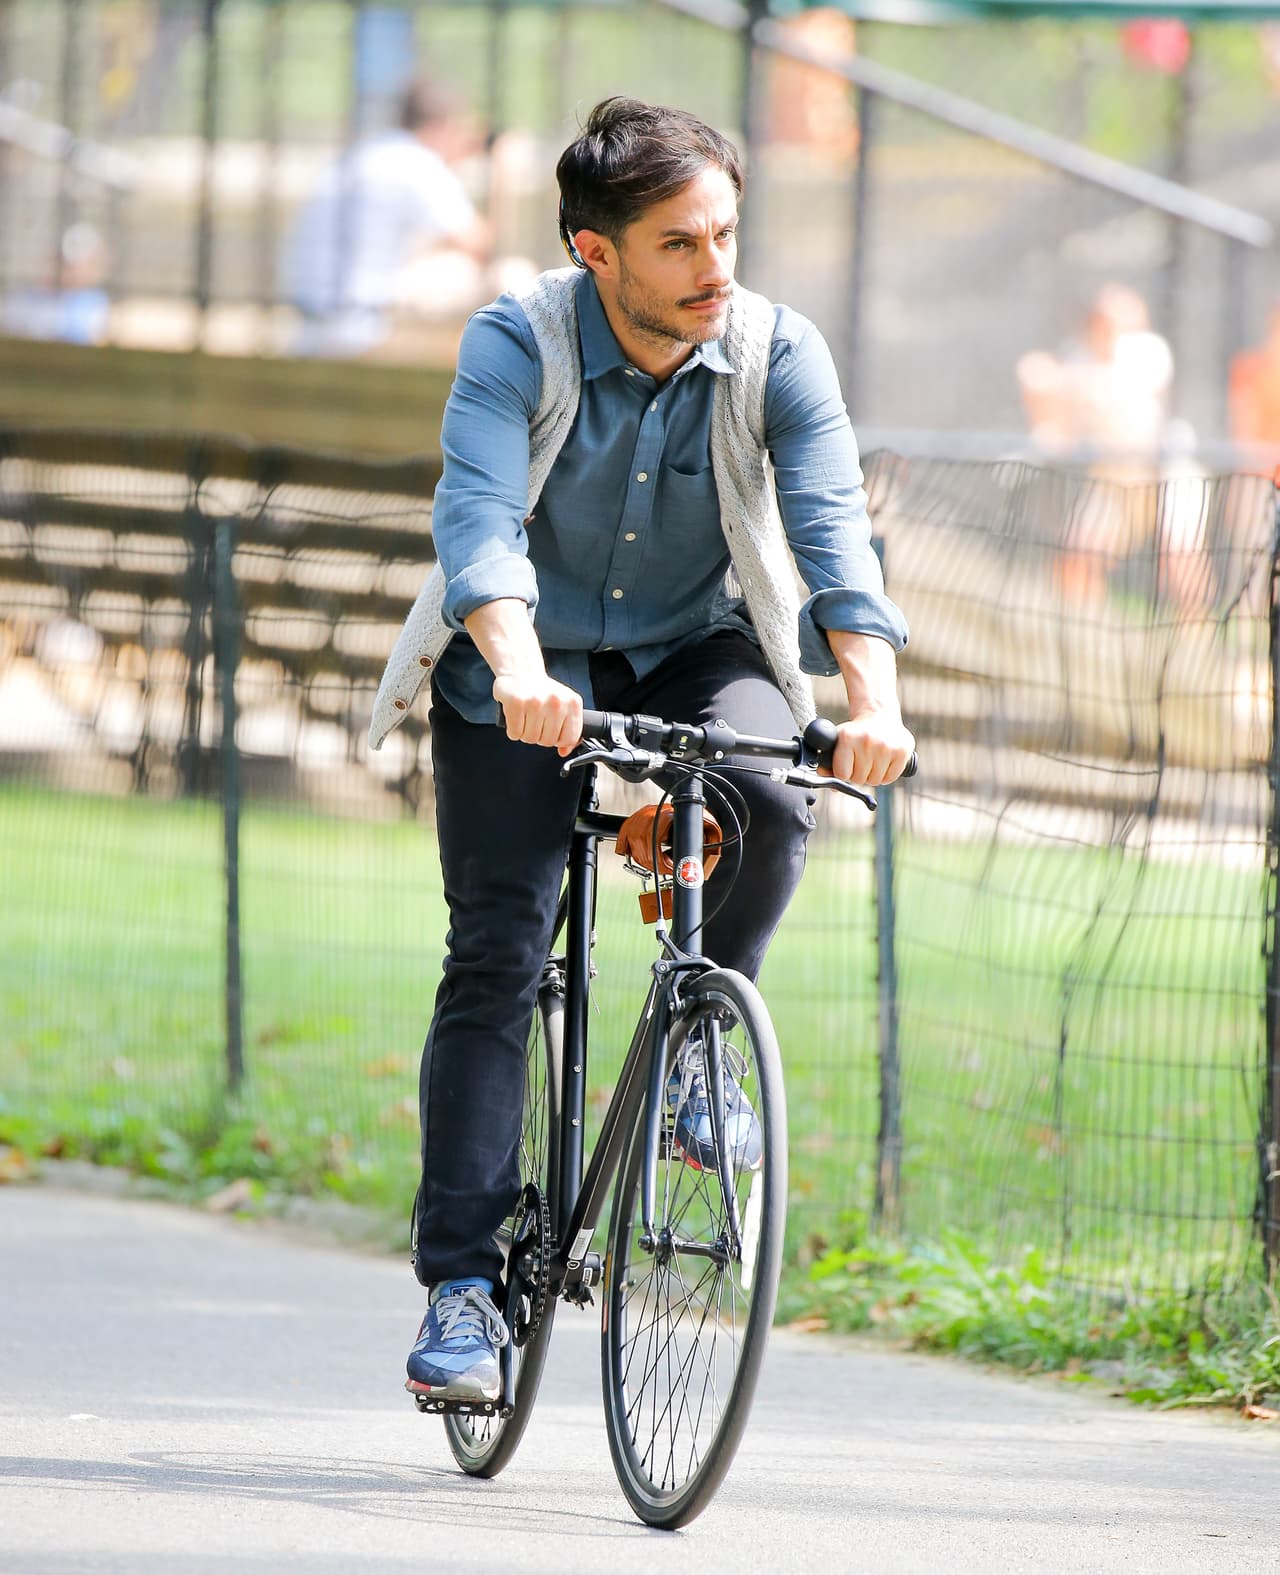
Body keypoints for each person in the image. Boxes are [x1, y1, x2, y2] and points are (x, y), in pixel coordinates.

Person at [367, 97, 915, 1403]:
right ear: (597, 252)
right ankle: (462, 1283)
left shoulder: (778, 350)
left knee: (775, 799)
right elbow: (479, 517)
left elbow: (837, 535)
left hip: (696, 643)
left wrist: (874, 697)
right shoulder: (521, 337)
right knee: (497, 949)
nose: (715, 265)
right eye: (679, 242)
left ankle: (696, 1046)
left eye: (725, 232)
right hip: (525, 657)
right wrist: (513, 670)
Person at [281, 78, 495, 358]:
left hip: (312, 322)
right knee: (506, 275)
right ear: (441, 125)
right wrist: (499, 171)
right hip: (362, 326)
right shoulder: (418, 162)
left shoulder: (366, 153)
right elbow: (479, 243)